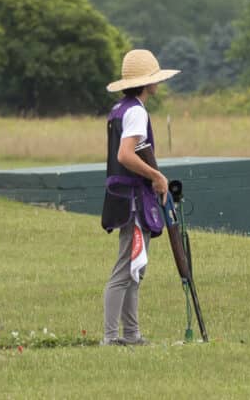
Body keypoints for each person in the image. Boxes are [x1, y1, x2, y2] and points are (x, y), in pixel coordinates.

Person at [100, 49, 180, 346]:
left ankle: (131, 335)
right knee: (125, 269)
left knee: (136, 267)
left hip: (125, 196)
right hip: (134, 198)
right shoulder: (136, 112)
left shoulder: (119, 109)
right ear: (148, 83)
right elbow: (125, 155)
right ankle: (111, 337)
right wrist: (157, 177)